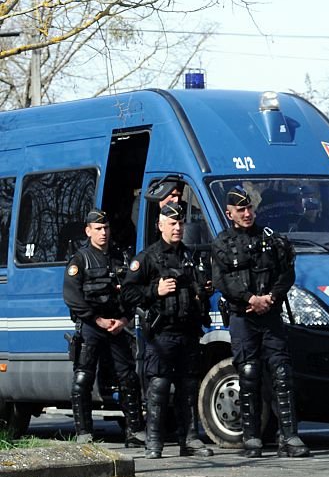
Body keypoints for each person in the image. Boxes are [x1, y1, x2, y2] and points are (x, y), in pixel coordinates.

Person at [211, 185, 310, 458]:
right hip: (243, 317)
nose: (247, 214)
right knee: (249, 374)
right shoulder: (221, 243)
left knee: (281, 373)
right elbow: (222, 281)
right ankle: (251, 437)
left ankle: (289, 437)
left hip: (270, 314)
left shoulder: (271, 239)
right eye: (240, 210)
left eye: (249, 208)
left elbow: (286, 273)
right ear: (230, 213)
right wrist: (249, 298)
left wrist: (271, 297)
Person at [122, 202, 215, 459]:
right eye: (172, 223)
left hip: (188, 330)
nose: (177, 228)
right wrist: (155, 291)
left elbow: (201, 286)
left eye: (180, 223)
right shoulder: (148, 257)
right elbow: (128, 293)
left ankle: (190, 439)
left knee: (188, 387)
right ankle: (154, 442)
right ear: (160, 225)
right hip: (162, 332)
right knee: (159, 387)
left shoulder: (191, 256)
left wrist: (204, 290)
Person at [62, 209, 145, 446]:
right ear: (88, 231)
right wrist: (97, 319)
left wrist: (125, 320)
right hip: (91, 326)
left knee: (128, 377)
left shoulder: (120, 258)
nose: (103, 233)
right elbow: (72, 297)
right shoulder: (80, 260)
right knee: (83, 378)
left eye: (106, 228)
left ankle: (134, 431)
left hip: (117, 326)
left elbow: (131, 292)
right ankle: (84, 433)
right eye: (98, 229)